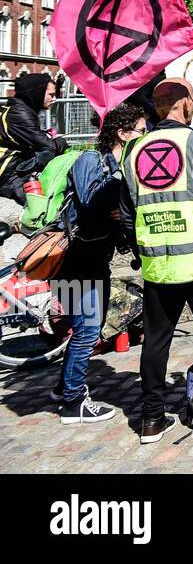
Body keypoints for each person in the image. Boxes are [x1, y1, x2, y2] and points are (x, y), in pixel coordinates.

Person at [120, 78, 193, 443]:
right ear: (184, 104)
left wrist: (142, 252)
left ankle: (152, 420)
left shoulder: (134, 149)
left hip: (159, 265)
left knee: (156, 342)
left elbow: (127, 213)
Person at [53, 103, 147, 425]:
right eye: (140, 131)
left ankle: (64, 387)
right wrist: (120, 188)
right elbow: (91, 198)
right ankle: (73, 402)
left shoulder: (117, 168)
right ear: (122, 134)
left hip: (93, 261)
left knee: (83, 330)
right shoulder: (91, 160)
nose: (145, 137)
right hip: (76, 262)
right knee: (87, 331)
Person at [0, 72, 68, 206]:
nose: (54, 99)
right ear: (37, 93)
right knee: (40, 205)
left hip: (14, 166)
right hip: (6, 172)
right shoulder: (20, 113)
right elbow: (49, 146)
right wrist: (61, 142)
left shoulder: (20, 108)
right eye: (51, 95)